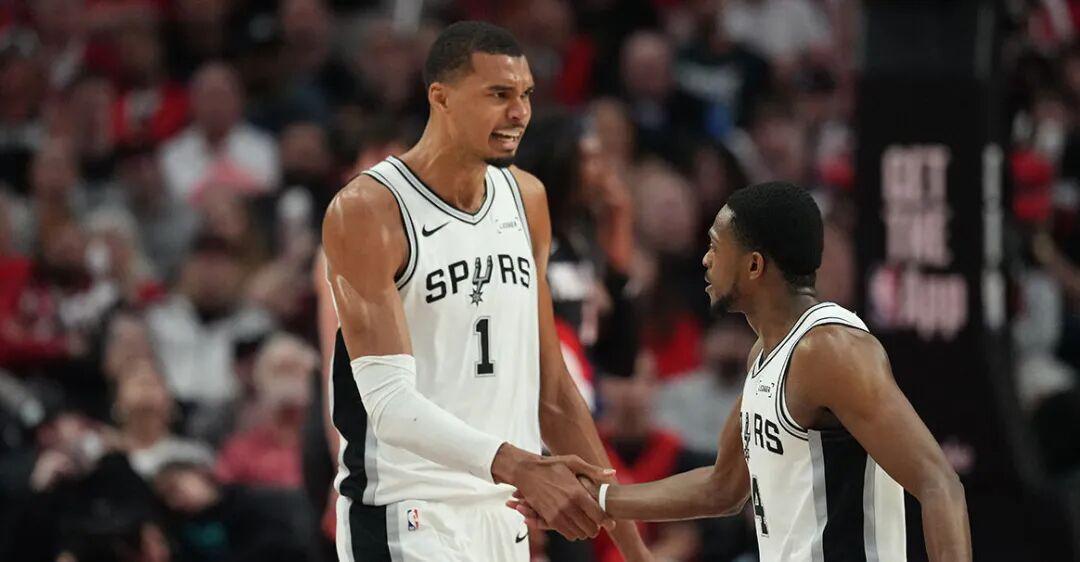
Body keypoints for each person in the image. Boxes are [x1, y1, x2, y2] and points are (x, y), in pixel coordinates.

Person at [320, 21, 649, 562]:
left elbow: (552, 388)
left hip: (503, 517)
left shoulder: (527, 198)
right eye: (499, 94)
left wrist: (635, 551)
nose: (519, 113)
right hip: (407, 512)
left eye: (526, 95)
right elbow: (389, 405)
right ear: (441, 98)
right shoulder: (368, 210)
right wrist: (522, 466)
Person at [512, 182, 972, 561]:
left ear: (754, 265)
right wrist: (597, 498)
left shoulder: (831, 350)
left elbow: (938, 481)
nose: (705, 259)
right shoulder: (766, 353)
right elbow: (723, 487)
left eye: (716, 246)